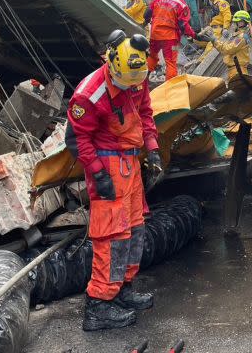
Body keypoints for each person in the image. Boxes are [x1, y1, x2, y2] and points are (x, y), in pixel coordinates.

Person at [66, 30, 162, 331]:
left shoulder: (137, 74)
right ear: (111, 64)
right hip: (107, 164)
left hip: (129, 164)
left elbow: (145, 113)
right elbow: (77, 138)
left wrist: (153, 149)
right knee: (111, 237)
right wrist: (97, 173)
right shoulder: (89, 93)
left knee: (135, 229)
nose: (133, 87)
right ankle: (99, 305)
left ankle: (123, 289)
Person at [145, 0, 196, 80]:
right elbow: (183, 25)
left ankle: (142, 82)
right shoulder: (182, 5)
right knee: (171, 62)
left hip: (154, 35)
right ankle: (170, 89)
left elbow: (146, 15)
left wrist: (150, 21)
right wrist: (194, 35)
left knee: (152, 56)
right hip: (171, 39)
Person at [200, 10, 252, 78]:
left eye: (234, 23)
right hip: (234, 70)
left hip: (237, 70)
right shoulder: (237, 36)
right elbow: (225, 48)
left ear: (241, 23)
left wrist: (214, 40)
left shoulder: (241, 37)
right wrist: (214, 41)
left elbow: (227, 49)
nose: (233, 25)